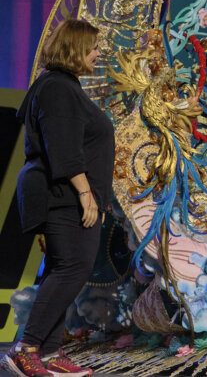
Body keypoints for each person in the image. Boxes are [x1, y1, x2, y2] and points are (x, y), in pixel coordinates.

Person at [6, 19, 115, 377]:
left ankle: (50, 353)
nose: (98, 53)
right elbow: (64, 149)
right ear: (76, 47)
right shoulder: (57, 87)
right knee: (72, 268)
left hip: (65, 195)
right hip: (64, 196)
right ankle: (26, 348)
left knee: (63, 269)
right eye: (94, 47)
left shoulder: (63, 86)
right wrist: (86, 193)